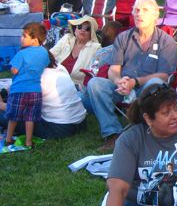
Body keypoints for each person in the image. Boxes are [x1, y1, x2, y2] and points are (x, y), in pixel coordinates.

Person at [81, 0, 177, 151]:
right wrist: (119, 81)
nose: (139, 14)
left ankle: (147, 133)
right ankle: (113, 134)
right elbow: (114, 69)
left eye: (144, 10)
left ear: (155, 15)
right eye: (136, 10)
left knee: (156, 84)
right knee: (95, 84)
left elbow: (164, 76)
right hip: (124, 87)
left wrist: (135, 82)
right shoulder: (123, 37)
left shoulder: (166, 42)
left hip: (149, 90)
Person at [0, 60, 87, 139]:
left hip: (59, 129)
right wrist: (4, 92)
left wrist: (1, 104)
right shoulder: (58, 66)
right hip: (81, 123)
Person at [1, 23, 50, 151]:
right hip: (35, 91)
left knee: (13, 117)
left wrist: (14, 68)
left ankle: (8, 139)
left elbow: (14, 70)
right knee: (30, 118)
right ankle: (28, 142)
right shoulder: (44, 52)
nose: (21, 39)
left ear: (34, 40)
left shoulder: (22, 54)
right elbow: (45, 64)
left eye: (24, 36)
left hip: (19, 90)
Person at [49, 16, 101, 87]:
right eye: (79, 26)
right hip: (55, 79)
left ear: (91, 33)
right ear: (75, 29)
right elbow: (50, 55)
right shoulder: (67, 38)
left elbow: (94, 72)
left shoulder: (96, 47)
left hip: (77, 86)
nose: (82, 30)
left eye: (87, 29)